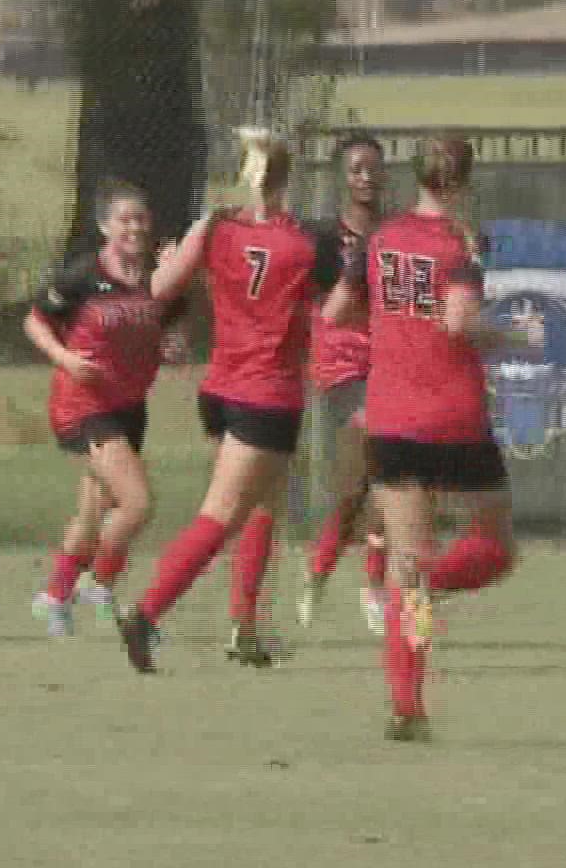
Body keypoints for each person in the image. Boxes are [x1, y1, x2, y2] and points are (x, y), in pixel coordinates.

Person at [322, 135, 542, 741]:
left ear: (415, 178)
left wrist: (393, 326)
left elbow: (336, 313)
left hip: (390, 417)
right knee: (494, 550)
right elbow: (460, 323)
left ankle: (407, 702)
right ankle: (429, 586)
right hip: (453, 416)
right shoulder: (461, 245)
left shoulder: (378, 240)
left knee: (405, 561)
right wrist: (521, 337)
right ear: (465, 183)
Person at [115, 128, 337, 672]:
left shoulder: (216, 228)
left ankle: (246, 628)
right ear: (289, 179)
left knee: (266, 507)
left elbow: (159, 288)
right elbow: (337, 310)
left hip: (220, 388)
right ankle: (146, 613)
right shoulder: (307, 242)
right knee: (222, 513)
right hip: (268, 396)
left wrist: (187, 241)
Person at [26, 181, 190, 638]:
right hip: (83, 404)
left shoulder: (162, 279)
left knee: (93, 513)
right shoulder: (84, 275)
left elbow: (172, 334)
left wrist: (174, 347)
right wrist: (66, 359)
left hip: (129, 406)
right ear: (104, 227)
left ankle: (54, 596)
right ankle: (98, 581)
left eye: (141, 218)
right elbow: (35, 320)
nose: (135, 227)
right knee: (137, 504)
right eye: (124, 219)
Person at [298, 135, 391, 634]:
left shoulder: (397, 233)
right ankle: (371, 583)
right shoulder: (322, 240)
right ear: (342, 177)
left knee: (369, 486)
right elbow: (323, 309)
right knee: (378, 451)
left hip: (393, 366)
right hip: (342, 369)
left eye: (374, 168)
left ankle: (326, 568)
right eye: (356, 168)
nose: (366, 177)